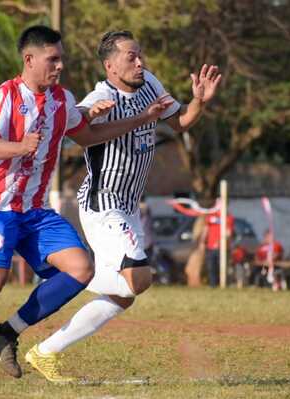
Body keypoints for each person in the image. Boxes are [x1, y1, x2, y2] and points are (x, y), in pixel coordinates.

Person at [0, 25, 172, 385]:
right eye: (52, 59)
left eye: (61, 59)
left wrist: (139, 119)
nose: (59, 66)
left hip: (36, 209)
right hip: (0, 205)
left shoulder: (62, 99)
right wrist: (19, 147)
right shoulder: (5, 96)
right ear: (29, 59)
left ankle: (7, 332)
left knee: (80, 269)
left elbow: (85, 136)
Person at [28, 30, 221, 382]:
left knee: (125, 295)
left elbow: (180, 122)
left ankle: (46, 351)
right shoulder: (101, 95)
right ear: (110, 65)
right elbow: (78, 119)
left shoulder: (148, 83)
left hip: (129, 205)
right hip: (104, 202)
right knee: (139, 278)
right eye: (131, 57)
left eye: (140, 54)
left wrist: (200, 102)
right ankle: (73, 274)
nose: (140, 62)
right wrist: (88, 114)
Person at [203, 207, 234, 288]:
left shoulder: (228, 217)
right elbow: (206, 228)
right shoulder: (210, 216)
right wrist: (202, 241)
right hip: (210, 246)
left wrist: (220, 242)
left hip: (222, 248)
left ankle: (224, 284)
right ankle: (212, 285)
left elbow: (228, 233)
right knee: (211, 266)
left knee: (222, 267)